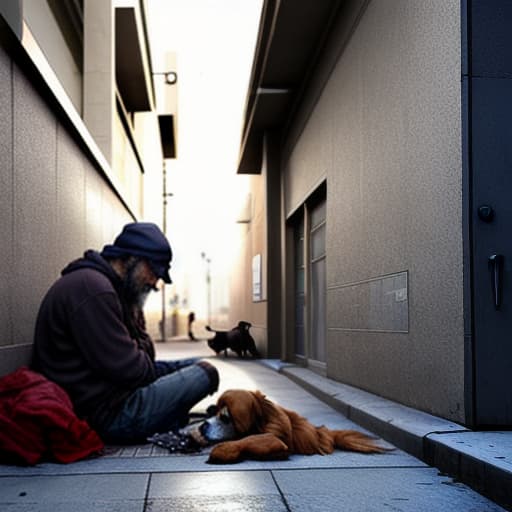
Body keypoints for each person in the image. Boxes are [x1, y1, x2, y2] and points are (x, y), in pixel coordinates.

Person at [31, 222, 219, 444]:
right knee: (206, 373)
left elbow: (145, 358)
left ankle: (168, 415)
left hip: (115, 396)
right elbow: (134, 370)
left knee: (197, 364)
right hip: (106, 415)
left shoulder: (117, 291)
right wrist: (141, 350)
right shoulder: (93, 289)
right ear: (132, 259)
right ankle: (167, 416)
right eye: (153, 271)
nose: (155, 283)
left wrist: (136, 323)